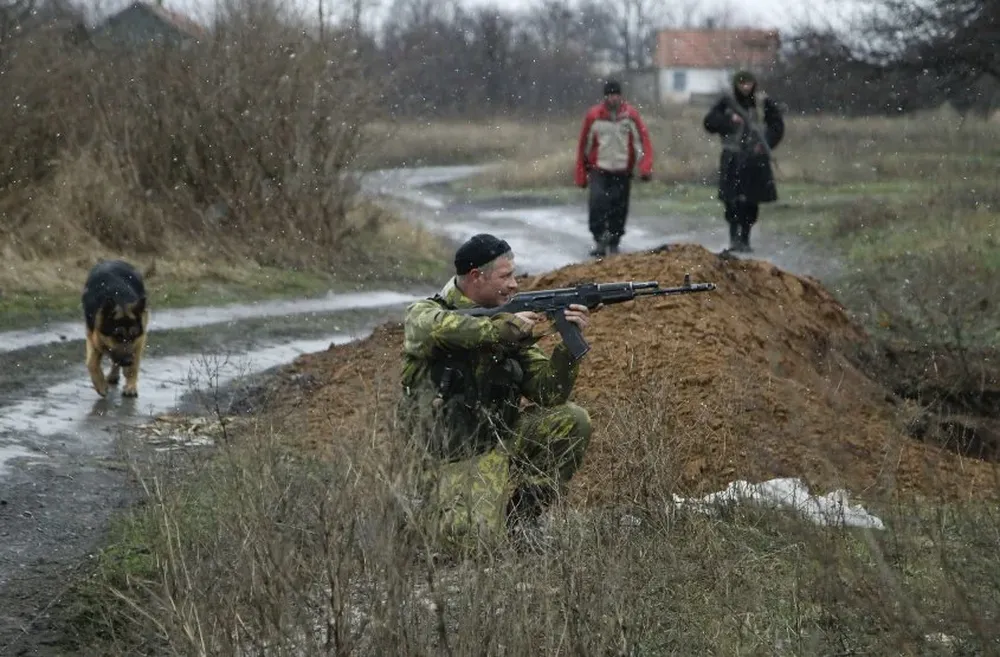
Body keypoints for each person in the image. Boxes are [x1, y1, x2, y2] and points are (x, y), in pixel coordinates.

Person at [398, 233, 594, 552]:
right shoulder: (427, 313)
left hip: (499, 442)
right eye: (506, 276)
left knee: (572, 420)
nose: (515, 284)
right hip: (448, 458)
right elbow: (430, 327)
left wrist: (567, 348)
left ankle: (522, 521)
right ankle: (422, 512)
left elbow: (549, 393)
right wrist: (501, 330)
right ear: (476, 276)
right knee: (469, 544)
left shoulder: (508, 323)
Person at [703, 70, 785, 253]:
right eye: (742, 83)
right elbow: (709, 122)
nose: (745, 87)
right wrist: (729, 121)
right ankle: (734, 238)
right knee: (731, 200)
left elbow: (777, 126)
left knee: (751, 201)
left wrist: (766, 144)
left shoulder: (763, 103)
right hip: (732, 156)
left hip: (755, 158)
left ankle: (745, 238)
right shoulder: (727, 102)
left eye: (748, 83)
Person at [575, 79, 654, 258]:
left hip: (622, 170)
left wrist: (645, 166)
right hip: (599, 169)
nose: (613, 98)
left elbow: (644, 141)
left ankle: (614, 241)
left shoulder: (630, 116)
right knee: (597, 203)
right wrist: (581, 173)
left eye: (616, 94)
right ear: (605, 96)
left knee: (619, 207)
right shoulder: (594, 116)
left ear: (621, 96)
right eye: (610, 95)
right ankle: (599, 239)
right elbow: (582, 145)